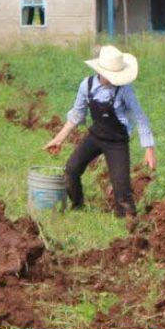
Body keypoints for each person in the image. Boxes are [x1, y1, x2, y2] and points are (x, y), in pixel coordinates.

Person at [43, 45, 156, 217]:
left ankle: (128, 222)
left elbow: (140, 117)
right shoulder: (86, 85)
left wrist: (149, 149)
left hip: (117, 143)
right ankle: (78, 205)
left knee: (122, 190)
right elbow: (77, 115)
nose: (113, 79)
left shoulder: (124, 89)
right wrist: (58, 139)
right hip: (95, 137)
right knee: (71, 170)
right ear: (100, 70)